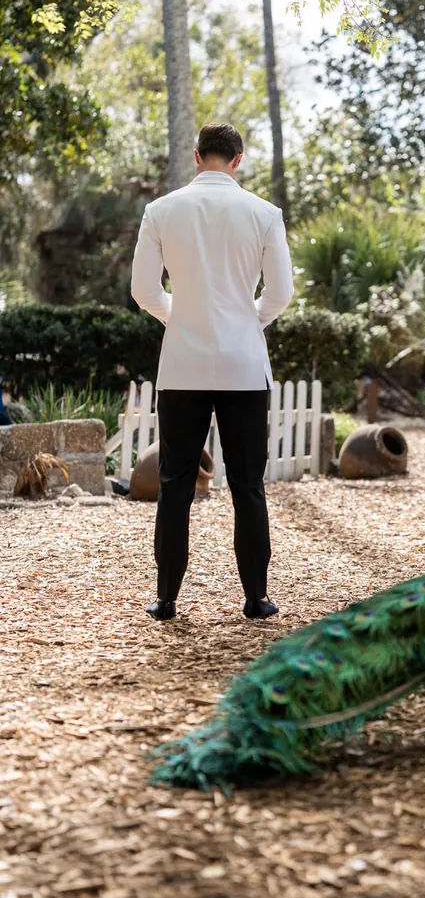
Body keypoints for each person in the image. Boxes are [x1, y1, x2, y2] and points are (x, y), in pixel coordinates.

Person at [131, 122, 293, 622]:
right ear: (238, 160)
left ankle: (166, 599)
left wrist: (179, 316)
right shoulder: (264, 214)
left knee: (175, 483)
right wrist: (247, 320)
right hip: (244, 366)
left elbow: (144, 291)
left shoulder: (161, 211)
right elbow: (281, 293)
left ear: (197, 156)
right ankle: (256, 599)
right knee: (248, 486)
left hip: (183, 364)